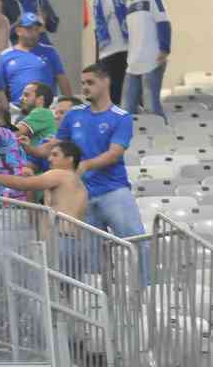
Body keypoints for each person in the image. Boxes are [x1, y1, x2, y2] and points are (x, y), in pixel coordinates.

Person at [40, 63, 147, 283]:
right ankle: (96, 305)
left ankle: (147, 290)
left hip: (114, 191)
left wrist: (86, 165)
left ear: (105, 82)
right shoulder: (73, 115)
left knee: (136, 241)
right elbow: (59, 146)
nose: (85, 88)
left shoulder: (121, 116)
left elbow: (114, 154)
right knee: (88, 260)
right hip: (82, 194)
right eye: (83, 83)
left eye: (90, 83)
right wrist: (32, 149)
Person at [0, 140, 87, 221]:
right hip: (71, 244)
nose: (49, 159)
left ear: (70, 159)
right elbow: (33, 210)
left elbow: (22, 185)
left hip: (61, 241)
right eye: (50, 155)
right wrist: (31, 181)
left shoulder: (60, 174)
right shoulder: (77, 183)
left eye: (55, 155)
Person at [115, 0, 171, 119]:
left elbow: (163, 21)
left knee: (151, 109)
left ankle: (162, 140)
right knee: (125, 112)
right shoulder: (127, 3)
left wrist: (165, 48)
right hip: (132, 65)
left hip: (152, 61)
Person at [0, 13, 71, 105]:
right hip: (18, 109)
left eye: (36, 29)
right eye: (29, 29)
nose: (34, 33)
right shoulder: (5, 55)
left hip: (46, 109)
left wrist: (69, 105)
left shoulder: (50, 52)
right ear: (18, 31)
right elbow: (0, 89)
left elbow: (62, 79)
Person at [87, 0, 128, 105]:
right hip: (108, 55)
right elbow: (97, 34)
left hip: (129, 51)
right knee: (112, 100)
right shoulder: (95, 2)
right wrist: (98, 64)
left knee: (133, 100)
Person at [16, 81, 57, 146]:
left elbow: (14, 133)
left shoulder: (42, 112)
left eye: (26, 95)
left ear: (40, 99)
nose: (20, 98)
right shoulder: (42, 114)